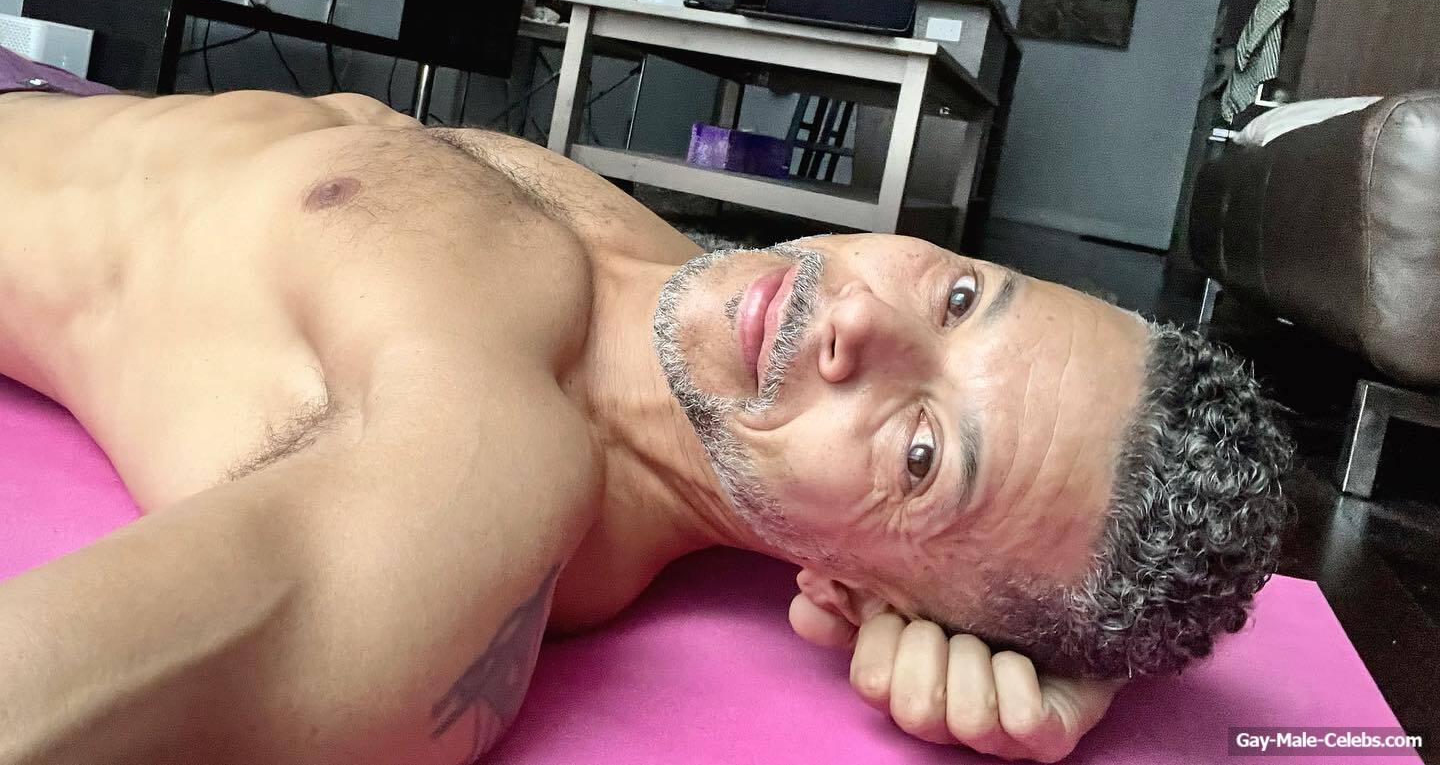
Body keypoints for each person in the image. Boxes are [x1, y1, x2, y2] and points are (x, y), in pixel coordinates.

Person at [0, 56, 1291, 764]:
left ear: (876, 593)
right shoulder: (678, 288)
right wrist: (1077, 647)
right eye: (960, 297)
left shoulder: (482, 463)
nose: (861, 320)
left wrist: (1029, 648)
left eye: (921, 451)